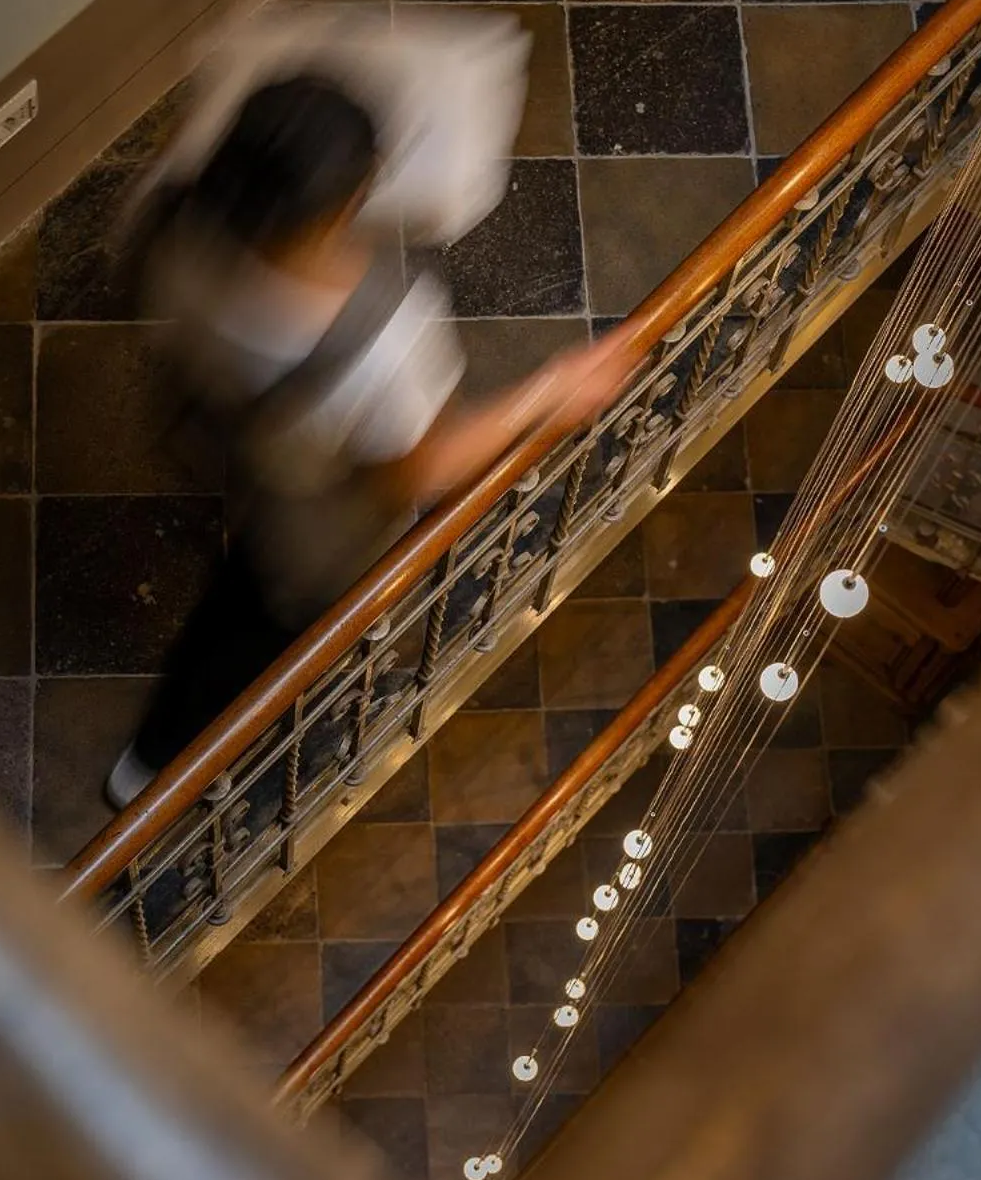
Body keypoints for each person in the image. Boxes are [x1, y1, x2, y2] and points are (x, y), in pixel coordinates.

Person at [105, 61, 641, 810]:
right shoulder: (384, 342)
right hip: (308, 522)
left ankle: (156, 752)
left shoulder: (174, 223)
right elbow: (417, 473)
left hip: (233, 439)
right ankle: (158, 766)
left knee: (239, 599)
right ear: (345, 201)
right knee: (255, 625)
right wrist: (551, 392)